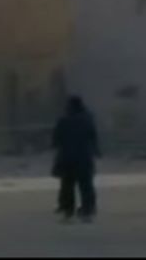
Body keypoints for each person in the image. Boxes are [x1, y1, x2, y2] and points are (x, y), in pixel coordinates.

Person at [52, 95, 100, 223]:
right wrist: (96, 151)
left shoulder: (63, 120)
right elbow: (93, 137)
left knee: (68, 186)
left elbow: (56, 141)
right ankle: (87, 211)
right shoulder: (87, 120)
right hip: (84, 158)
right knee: (86, 186)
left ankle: (68, 212)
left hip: (67, 159)